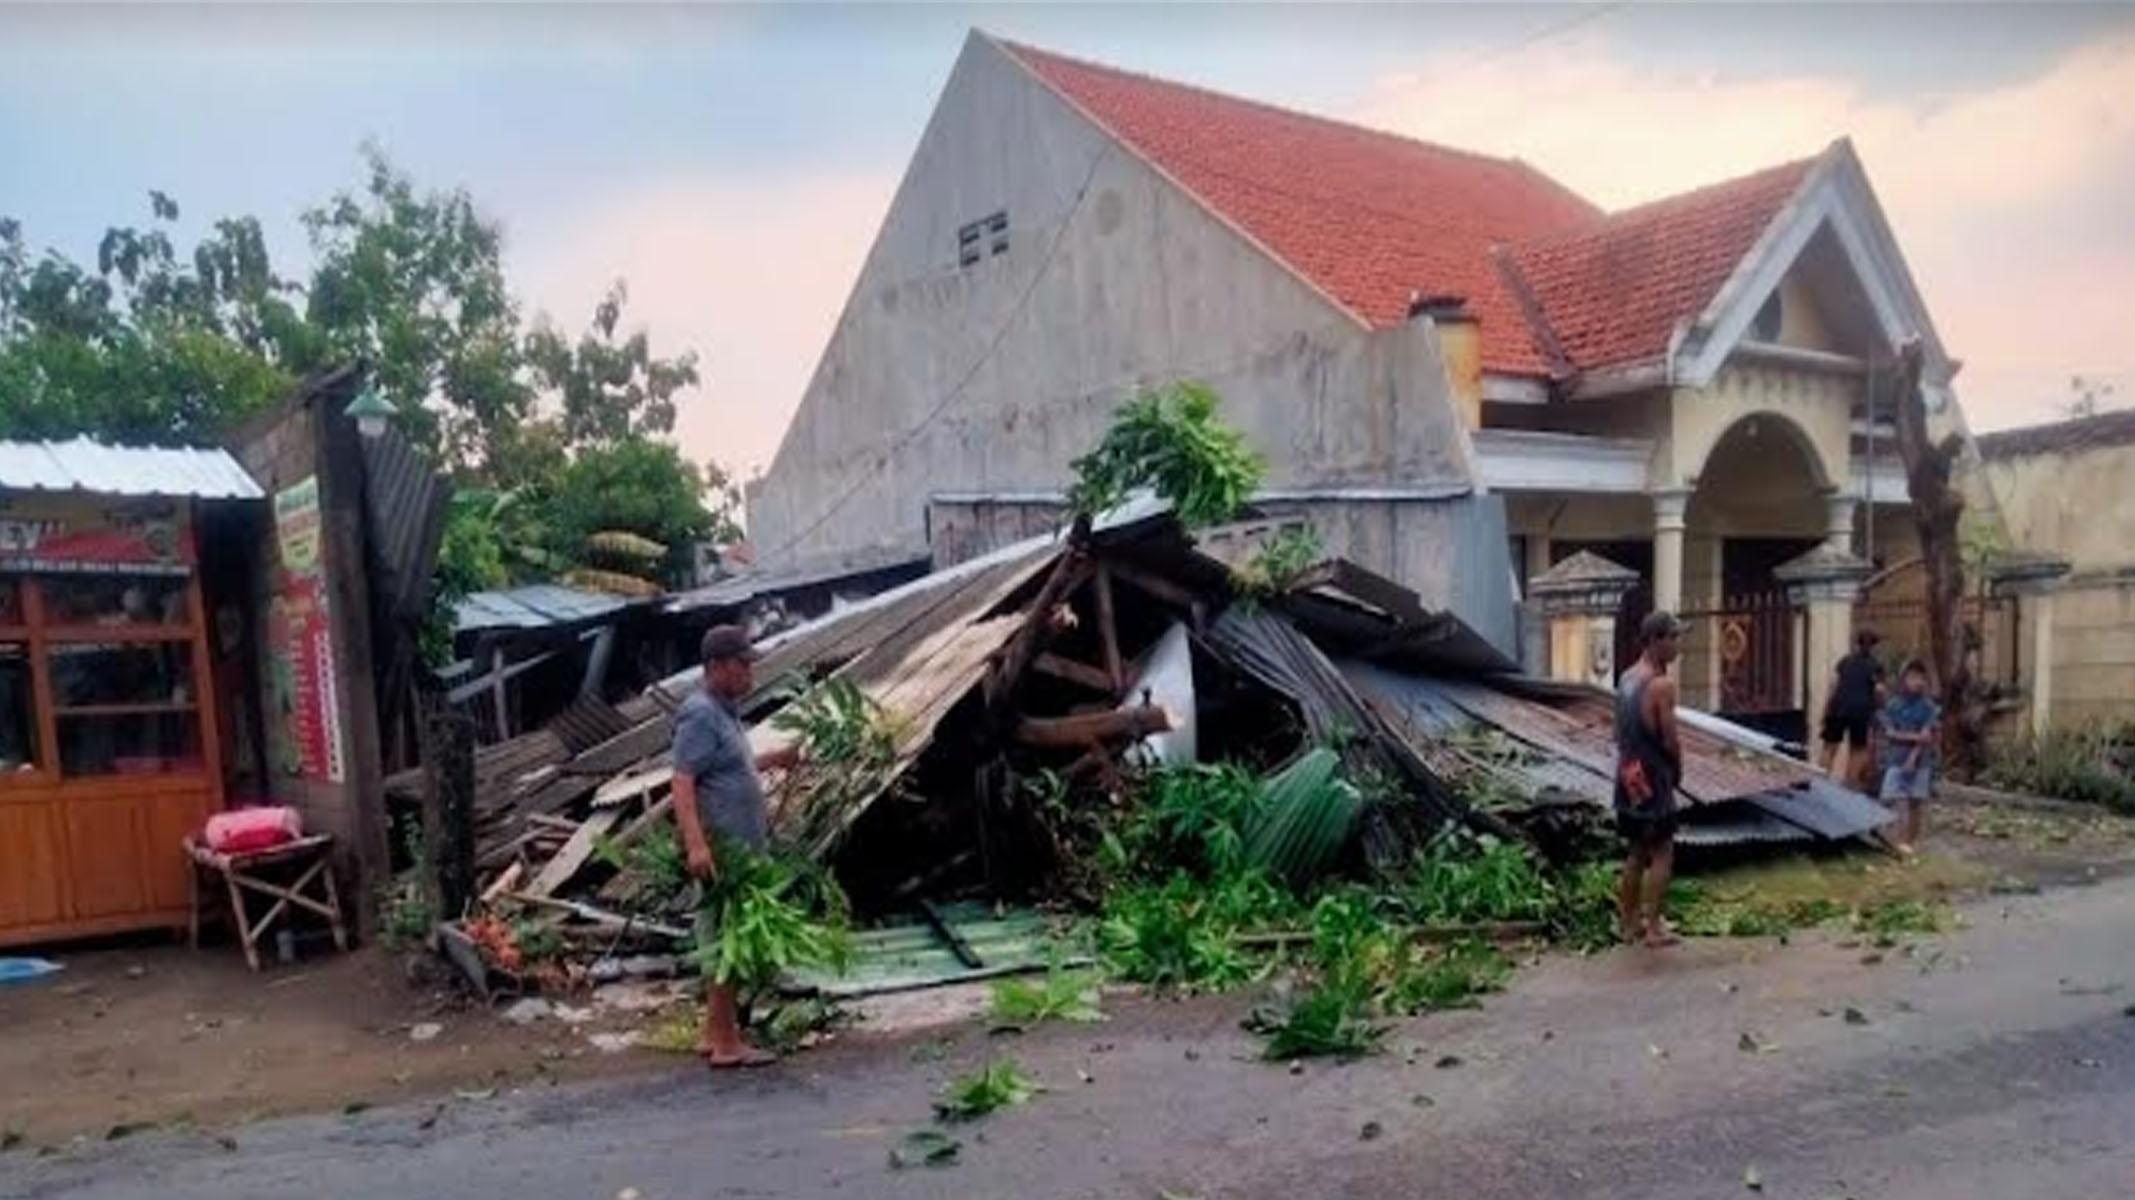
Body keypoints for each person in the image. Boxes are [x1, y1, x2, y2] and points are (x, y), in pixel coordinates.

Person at [671, 624, 801, 1068]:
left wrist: (775, 758)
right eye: (743, 665)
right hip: (724, 854)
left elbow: (729, 766)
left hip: (740, 853)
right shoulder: (700, 713)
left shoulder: (725, 712)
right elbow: (683, 780)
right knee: (729, 942)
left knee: (722, 943)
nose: (750, 673)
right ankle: (728, 1044)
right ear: (717, 667)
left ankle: (715, 1034)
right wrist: (697, 846)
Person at [1615, 610, 1686, 948]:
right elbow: (1670, 738)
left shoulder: (1627, 678)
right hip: (1653, 773)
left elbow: (1621, 730)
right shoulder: (1661, 685)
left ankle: (1627, 924)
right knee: (1662, 851)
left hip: (1628, 773)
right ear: (1657, 640)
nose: (1677, 646)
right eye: (1673, 638)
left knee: (1635, 850)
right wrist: (1677, 769)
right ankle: (1654, 927)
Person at [1877, 659, 1942, 856]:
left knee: (1915, 803)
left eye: (1921, 678)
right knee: (1893, 800)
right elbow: (1889, 732)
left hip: (1920, 761)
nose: (1917, 682)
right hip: (1895, 759)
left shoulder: (1928, 707)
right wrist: (1914, 737)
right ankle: (1896, 840)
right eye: (1913, 677)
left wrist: (1913, 757)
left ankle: (1910, 843)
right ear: (1903, 679)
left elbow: (1927, 736)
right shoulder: (1894, 705)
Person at [1818, 629, 1885, 788]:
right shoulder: (1876, 666)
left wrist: (1826, 710)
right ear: (1874, 647)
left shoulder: (1844, 662)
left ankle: (1820, 781)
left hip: (1838, 708)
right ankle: (1849, 785)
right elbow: (1879, 691)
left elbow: (1833, 686)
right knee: (1858, 749)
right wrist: (1879, 707)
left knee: (1829, 746)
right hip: (1860, 712)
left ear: (1856, 644)